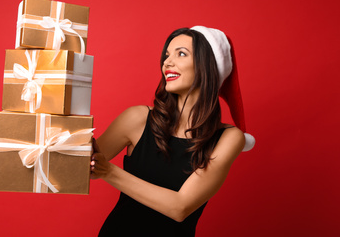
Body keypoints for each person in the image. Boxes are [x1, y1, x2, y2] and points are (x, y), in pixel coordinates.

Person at [90, 26, 255, 237]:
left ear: (208, 66)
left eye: (181, 54)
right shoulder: (137, 118)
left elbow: (180, 208)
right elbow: (84, 165)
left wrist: (109, 171)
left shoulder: (229, 138)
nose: (167, 62)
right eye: (167, 55)